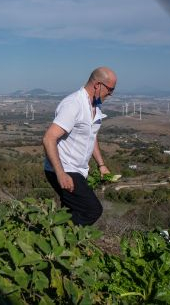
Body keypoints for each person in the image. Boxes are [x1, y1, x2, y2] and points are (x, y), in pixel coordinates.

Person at [42, 67, 117, 226]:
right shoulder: (73, 104)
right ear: (98, 85)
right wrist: (61, 174)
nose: (111, 94)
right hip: (64, 169)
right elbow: (49, 138)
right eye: (110, 89)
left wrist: (101, 165)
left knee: (71, 212)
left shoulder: (96, 106)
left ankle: (63, 243)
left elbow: (91, 135)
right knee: (92, 210)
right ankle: (48, 232)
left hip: (78, 170)